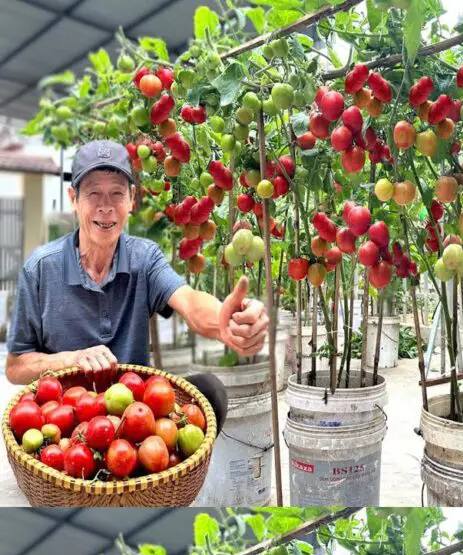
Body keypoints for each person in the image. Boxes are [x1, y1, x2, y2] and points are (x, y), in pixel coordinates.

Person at [4, 140, 268, 392]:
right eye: (93, 193)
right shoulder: (40, 268)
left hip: (133, 410)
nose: (105, 207)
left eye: (117, 193)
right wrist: (70, 360)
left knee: (210, 389)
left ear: (131, 199)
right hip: (66, 415)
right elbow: (15, 367)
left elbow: (188, 300)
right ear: (73, 198)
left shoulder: (144, 257)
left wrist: (225, 321)